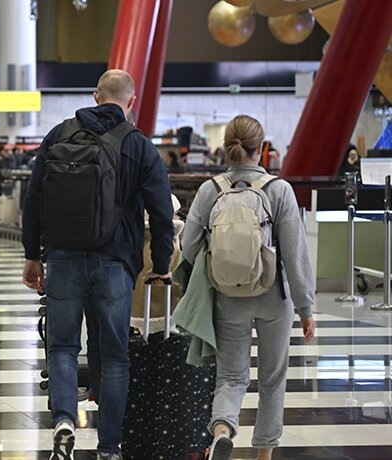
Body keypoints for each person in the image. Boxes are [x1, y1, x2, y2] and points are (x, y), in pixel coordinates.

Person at [21, 70, 174, 460]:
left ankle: (64, 422)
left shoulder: (59, 134)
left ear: (95, 96)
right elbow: (160, 209)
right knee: (115, 354)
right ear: (131, 102)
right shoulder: (138, 145)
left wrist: (32, 254)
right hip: (115, 263)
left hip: (63, 258)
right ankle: (109, 447)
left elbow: (34, 197)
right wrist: (160, 264)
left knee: (62, 348)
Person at [180, 115, 315, 460]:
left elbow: (190, 245)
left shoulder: (211, 190)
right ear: (262, 149)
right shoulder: (279, 190)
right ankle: (264, 455)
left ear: (226, 149)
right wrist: (306, 308)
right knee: (272, 379)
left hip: (228, 297)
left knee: (230, 377)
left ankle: (223, 429)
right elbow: (295, 254)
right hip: (274, 297)